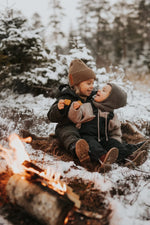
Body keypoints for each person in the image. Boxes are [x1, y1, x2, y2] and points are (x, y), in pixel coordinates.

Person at [47, 59, 118, 167]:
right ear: (76, 84)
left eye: (93, 83)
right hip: (68, 126)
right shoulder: (66, 97)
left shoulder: (92, 97)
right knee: (68, 133)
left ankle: (118, 154)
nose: (91, 86)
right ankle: (79, 150)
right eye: (88, 83)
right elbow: (51, 116)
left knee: (98, 134)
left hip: (86, 128)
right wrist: (59, 109)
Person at [68, 83, 148, 171]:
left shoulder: (111, 115)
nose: (99, 90)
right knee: (93, 145)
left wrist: (116, 141)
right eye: (101, 89)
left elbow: (115, 130)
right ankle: (103, 158)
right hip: (87, 136)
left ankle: (130, 155)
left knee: (115, 144)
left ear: (110, 100)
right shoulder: (88, 106)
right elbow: (74, 118)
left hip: (103, 138)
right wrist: (75, 109)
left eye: (103, 91)